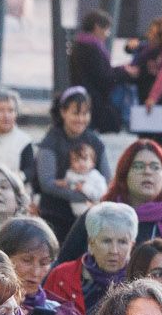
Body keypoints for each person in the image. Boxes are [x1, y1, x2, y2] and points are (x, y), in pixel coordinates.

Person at [45, 202, 141, 315]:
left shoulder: (139, 280)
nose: (114, 251)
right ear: (91, 242)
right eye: (106, 241)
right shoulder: (62, 275)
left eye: (122, 242)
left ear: (131, 245)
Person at [27, 88, 104, 243]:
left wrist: (96, 195)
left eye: (85, 113)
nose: (81, 119)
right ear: (63, 112)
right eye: (76, 113)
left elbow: (107, 178)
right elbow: (47, 183)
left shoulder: (95, 141)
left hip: (88, 215)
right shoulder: (51, 141)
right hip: (55, 215)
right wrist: (83, 194)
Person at [0, 215, 70, 315]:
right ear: (4, 257)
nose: (36, 272)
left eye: (44, 263)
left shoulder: (61, 313)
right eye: (26, 260)